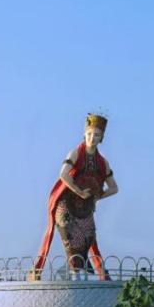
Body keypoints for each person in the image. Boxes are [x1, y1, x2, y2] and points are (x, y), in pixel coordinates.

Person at [32, 113, 119, 279]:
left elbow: (114, 187)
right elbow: (63, 175)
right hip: (65, 203)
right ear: (84, 134)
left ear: (102, 138)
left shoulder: (103, 162)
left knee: (89, 235)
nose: (92, 138)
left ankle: (82, 273)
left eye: (97, 135)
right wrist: (79, 191)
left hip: (85, 208)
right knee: (70, 237)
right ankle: (74, 275)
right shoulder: (76, 153)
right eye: (89, 134)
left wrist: (97, 196)